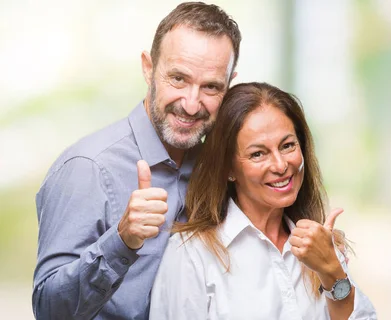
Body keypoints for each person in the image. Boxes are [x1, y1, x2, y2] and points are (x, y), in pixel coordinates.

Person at [32, 2, 241, 319]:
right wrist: (122, 241)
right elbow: (48, 309)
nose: (191, 103)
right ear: (148, 67)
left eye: (211, 86)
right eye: (178, 79)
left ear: (228, 85)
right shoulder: (87, 167)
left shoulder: (220, 166)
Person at [149, 82, 377, 320]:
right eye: (258, 153)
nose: (280, 166)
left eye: (287, 146)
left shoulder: (321, 247)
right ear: (228, 168)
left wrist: (332, 270)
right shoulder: (191, 256)